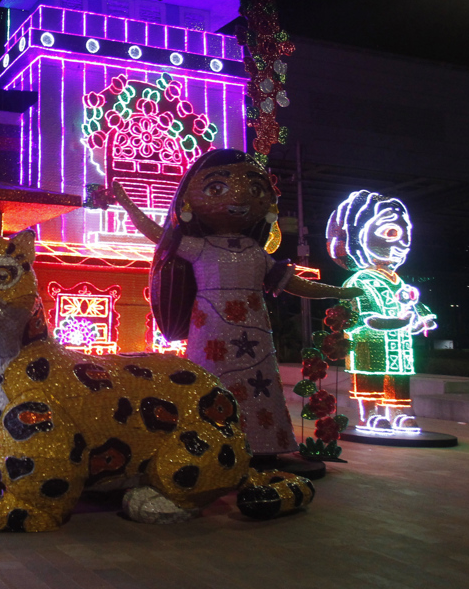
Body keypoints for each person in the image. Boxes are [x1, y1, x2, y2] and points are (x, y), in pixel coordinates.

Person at [112, 149, 361, 466]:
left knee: (261, 386)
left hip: (255, 333)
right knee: (209, 381)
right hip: (209, 330)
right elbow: (156, 234)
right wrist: (126, 202)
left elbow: (297, 284)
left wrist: (338, 291)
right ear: (187, 200)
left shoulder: (256, 253)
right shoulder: (199, 247)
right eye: (216, 188)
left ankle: (262, 445)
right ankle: (206, 441)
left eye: (256, 189)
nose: (240, 198)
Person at [326, 190, 436, 432]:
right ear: (357, 237)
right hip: (369, 347)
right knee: (369, 381)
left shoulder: (400, 282)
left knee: (396, 384)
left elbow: (413, 317)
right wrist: (403, 321)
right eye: (391, 232)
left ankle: (399, 414)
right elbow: (370, 320)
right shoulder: (359, 281)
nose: (403, 242)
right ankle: (371, 414)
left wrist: (419, 323)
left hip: (399, 350)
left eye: (405, 233)